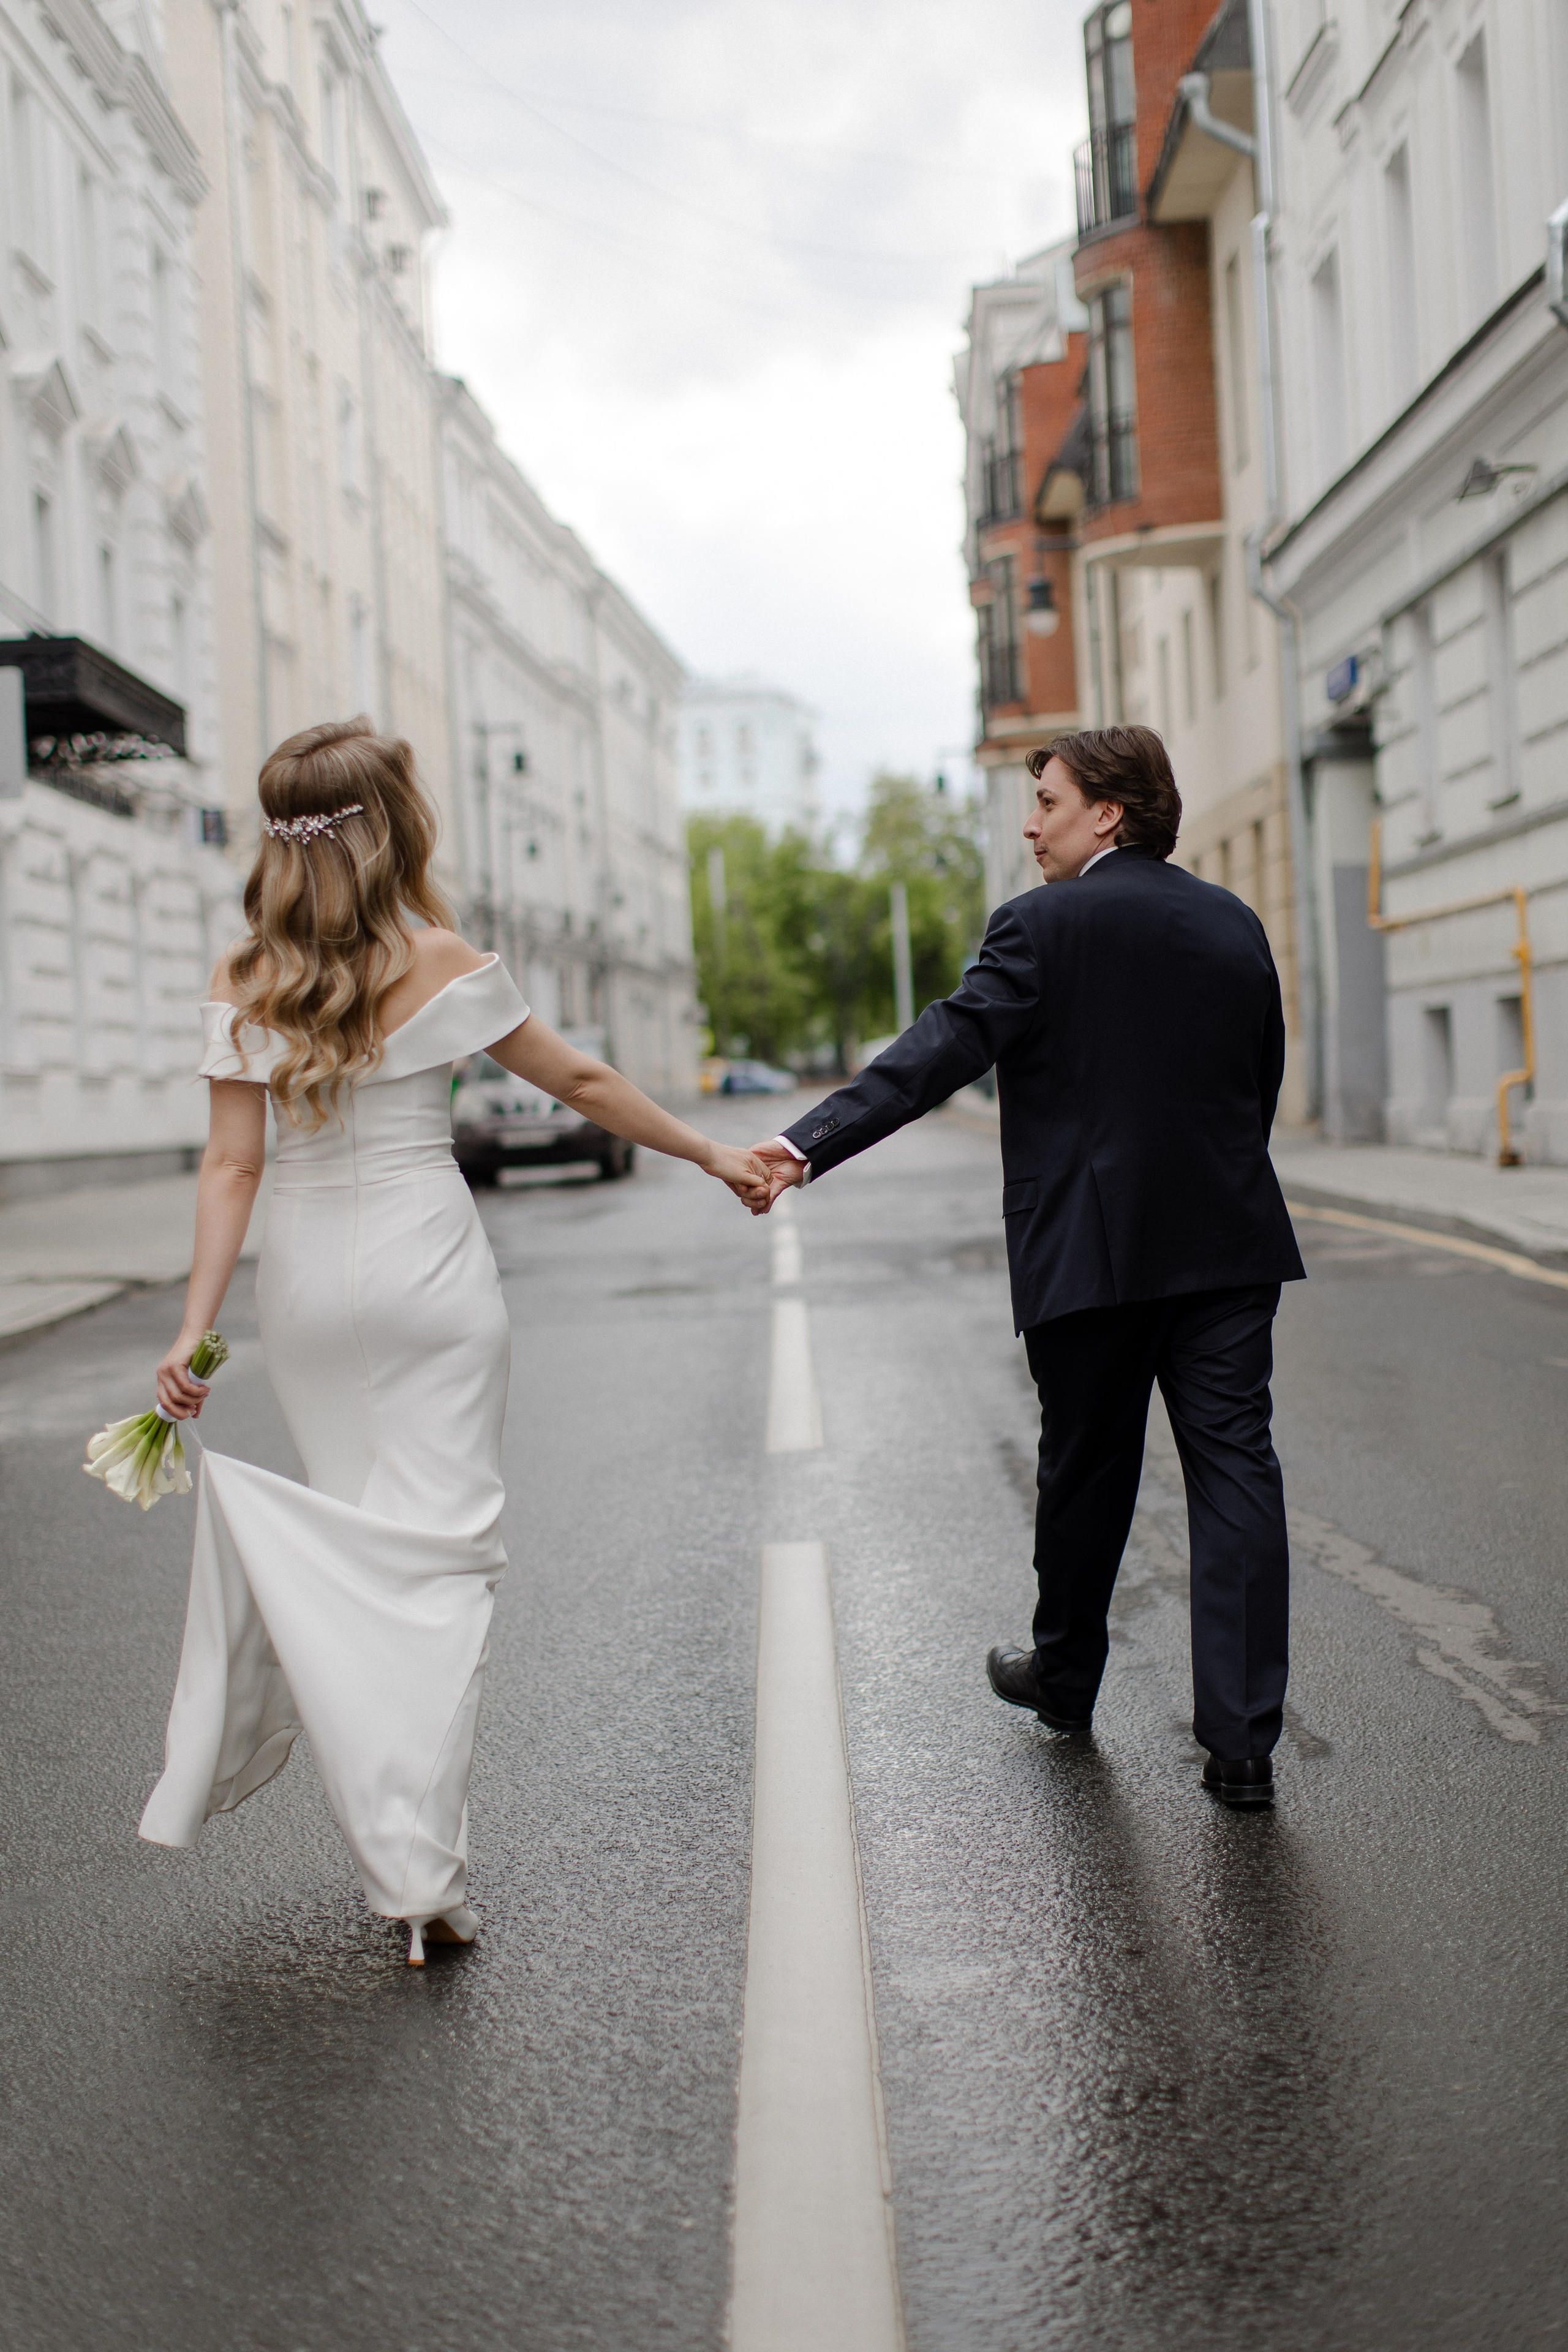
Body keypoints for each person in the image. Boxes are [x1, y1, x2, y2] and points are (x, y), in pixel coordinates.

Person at [141, 717, 769, 1961]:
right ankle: (419, 1871)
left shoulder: (242, 976)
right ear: (390, 830)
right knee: (441, 1564)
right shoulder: (438, 960)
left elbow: (231, 1161)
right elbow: (581, 1084)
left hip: (311, 1289)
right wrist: (709, 1153)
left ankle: (407, 1852)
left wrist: (193, 1330)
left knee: (367, 1554)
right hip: (431, 1280)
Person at [748, 725, 1304, 1807]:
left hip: (1092, 1250)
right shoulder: (1233, 920)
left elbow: (941, 1052)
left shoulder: (1042, 926)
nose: (1029, 821)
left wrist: (805, 1145)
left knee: (1085, 1473)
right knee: (1237, 1474)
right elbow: (1259, 1076)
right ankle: (1241, 1744)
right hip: (1228, 1242)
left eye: (1047, 800)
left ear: (1110, 813)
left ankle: (1066, 1680)